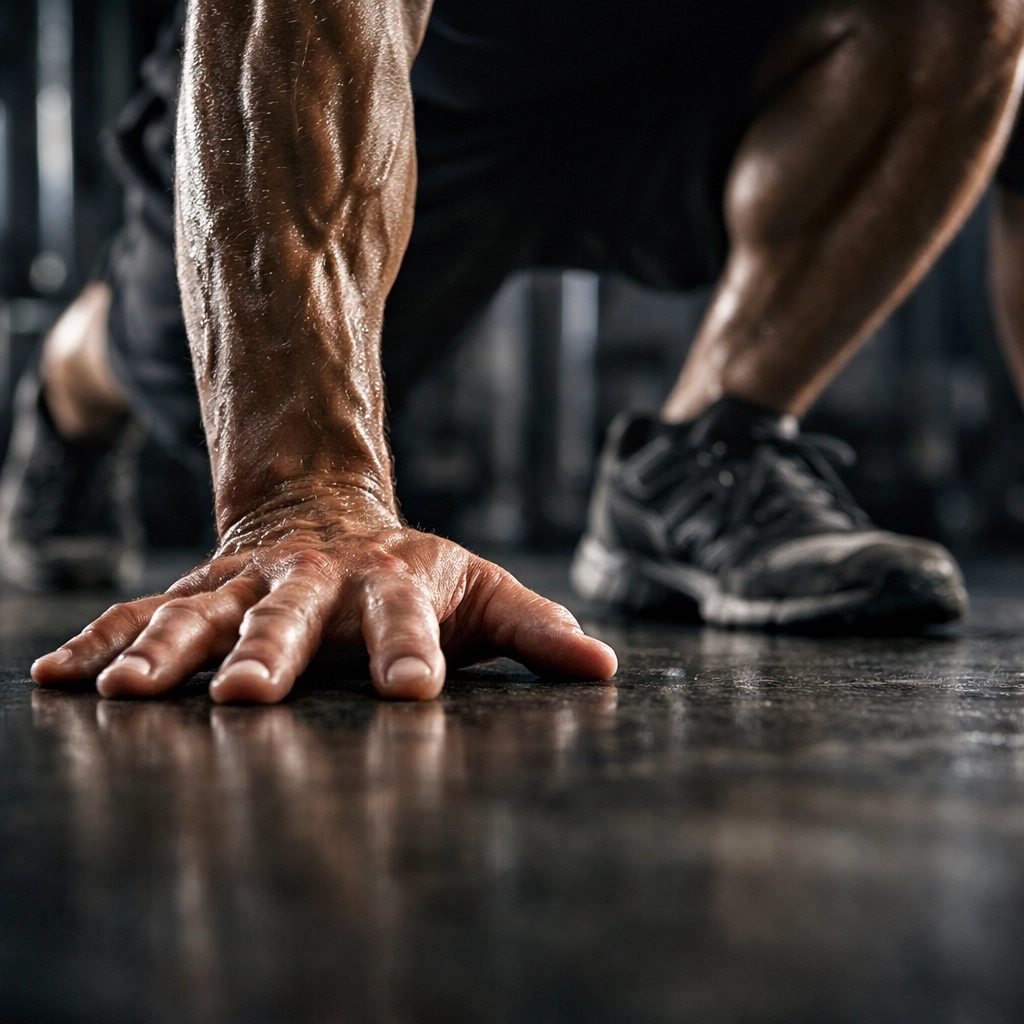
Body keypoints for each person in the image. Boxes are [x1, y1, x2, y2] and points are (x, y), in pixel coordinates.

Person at [19, 1, 1024, 704]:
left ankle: (705, 450)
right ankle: (67, 396)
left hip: (661, 98)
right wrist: (304, 498)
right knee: (156, 364)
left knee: (968, 20)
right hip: (395, 86)